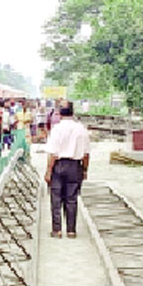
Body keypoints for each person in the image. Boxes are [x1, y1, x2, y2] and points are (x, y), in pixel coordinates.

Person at [44, 101, 90, 238]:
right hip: (75, 166)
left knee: (56, 198)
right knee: (72, 199)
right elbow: (86, 154)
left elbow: (52, 153)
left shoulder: (57, 129)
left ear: (59, 113)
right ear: (73, 112)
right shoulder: (81, 129)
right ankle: (71, 230)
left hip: (58, 165)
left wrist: (48, 171)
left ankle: (57, 230)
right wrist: (85, 170)